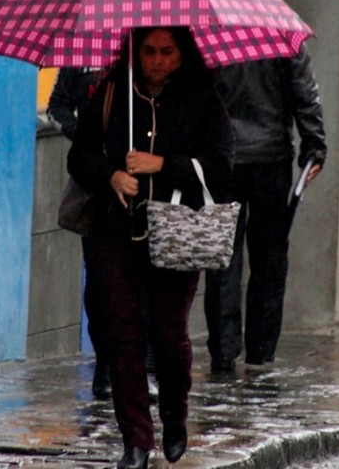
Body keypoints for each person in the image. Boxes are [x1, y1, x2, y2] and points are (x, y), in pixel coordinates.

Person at [68, 27, 234, 469]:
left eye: (167, 52)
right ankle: (136, 441)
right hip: (115, 231)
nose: (157, 61)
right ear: (134, 51)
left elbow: (221, 167)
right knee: (121, 334)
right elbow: (79, 156)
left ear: (183, 54)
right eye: (148, 51)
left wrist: (163, 165)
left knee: (168, 335)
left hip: (177, 233)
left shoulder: (203, 97)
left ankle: (175, 418)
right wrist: (111, 175)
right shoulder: (111, 90)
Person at [204, 0, 327, 373]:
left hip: (221, 162)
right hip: (273, 160)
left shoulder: (205, 27)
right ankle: (261, 353)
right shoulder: (279, 25)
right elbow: (303, 93)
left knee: (222, 259)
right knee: (269, 259)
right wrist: (315, 146)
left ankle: (223, 353)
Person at [47, 67, 159, 402]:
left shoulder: (157, 69)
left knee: (148, 286)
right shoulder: (86, 64)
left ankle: (145, 367)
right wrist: (84, 135)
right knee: (100, 287)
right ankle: (106, 365)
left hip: (151, 196)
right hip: (100, 197)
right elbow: (58, 109)